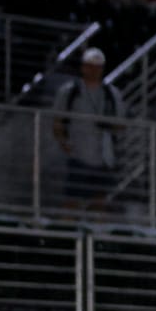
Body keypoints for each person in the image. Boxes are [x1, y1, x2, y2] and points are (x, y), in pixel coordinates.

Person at [52, 48, 125, 209]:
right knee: (72, 200)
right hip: (77, 154)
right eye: (90, 66)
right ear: (83, 67)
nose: (94, 70)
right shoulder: (70, 91)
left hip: (103, 157)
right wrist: (64, 143)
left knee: (100, 201)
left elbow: (120, 124)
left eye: (98, 66)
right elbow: (57, 121)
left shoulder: (111, 93)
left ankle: (95, 232)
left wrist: (108, 124)